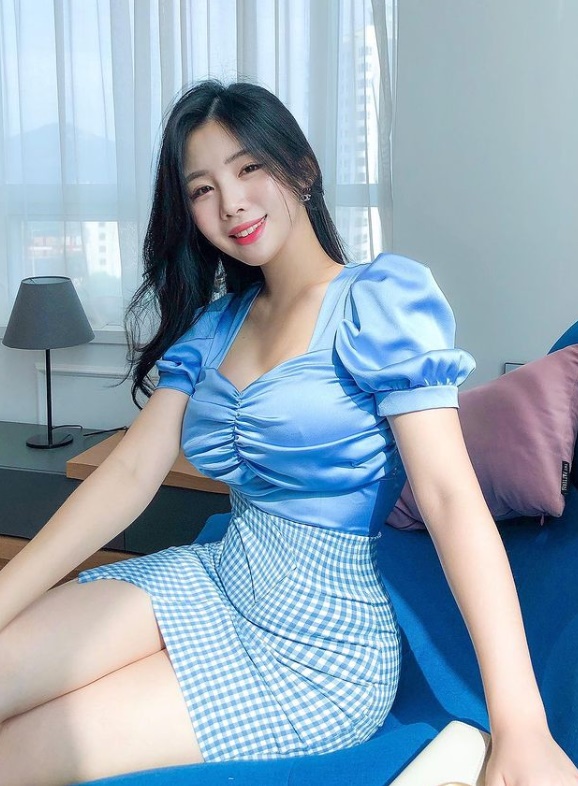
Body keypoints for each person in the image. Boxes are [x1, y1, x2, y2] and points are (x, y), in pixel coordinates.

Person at [0, 80, 576, 786]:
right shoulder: (214, 325)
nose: (231, 203)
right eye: (203, 189)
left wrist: (522, 725)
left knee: (15, 756)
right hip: (214, 577)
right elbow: (128, 473)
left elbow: (451, 499)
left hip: (316, 651)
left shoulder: (380, 301)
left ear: (302, 169)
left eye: (249, 168)